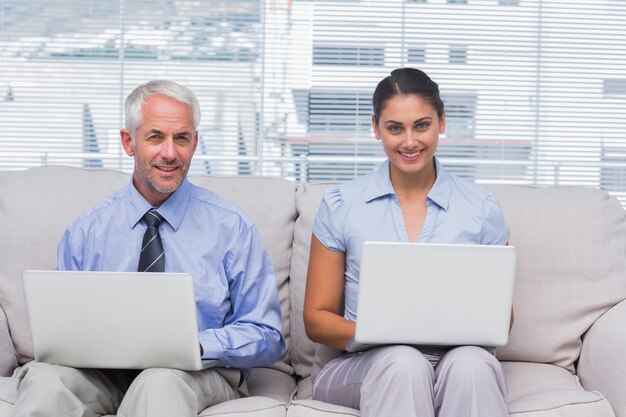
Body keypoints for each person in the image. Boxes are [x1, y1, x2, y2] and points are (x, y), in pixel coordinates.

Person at [11, 80, 286, 417]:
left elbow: (268, 335)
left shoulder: (231, 227)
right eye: (155, 137)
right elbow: (64, 329)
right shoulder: (88, 230)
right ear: (129, 142)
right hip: (104, 374)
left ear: (195, 143)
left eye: (181, 138)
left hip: (192, 374)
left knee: (158, 383)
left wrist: (197, 345)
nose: (170, 153)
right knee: (44, 380)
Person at [303, 68, 512, 417]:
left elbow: (501, 317)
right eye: (395, 128)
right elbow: (316, 319)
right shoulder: (342, 205)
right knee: (404, 363)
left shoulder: (481, 209)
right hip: (367, 362)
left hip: (457, 358)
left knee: (473, 366)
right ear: (376, 128)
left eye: (422, 125)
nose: (410, 141)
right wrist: (376, 332)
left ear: (442, 122)